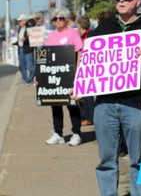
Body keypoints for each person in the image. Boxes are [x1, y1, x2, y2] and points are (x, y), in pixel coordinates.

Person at [87, 0, 141, 196]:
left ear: (138, 1)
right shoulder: (103, 27)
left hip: (135, 103)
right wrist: (79, 84)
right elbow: (88, 63)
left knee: (138, 160)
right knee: (106, 160)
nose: (121, 1)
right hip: (105, 103)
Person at [38, 8, 83, 146]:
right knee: (55, 104)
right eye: (55, 19)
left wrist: (78, 71)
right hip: (54, 76)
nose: (58, 21)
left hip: (69, 74)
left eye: (61, 18)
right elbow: (44, 55)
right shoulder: (51, 35)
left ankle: (76, 133)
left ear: (66, 19)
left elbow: (80, 52)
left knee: (72, 104)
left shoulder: (73, 33)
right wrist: (38, 74)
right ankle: (58, 133)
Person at [75, 14, 94, 126]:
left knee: (88, 95)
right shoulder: (79, 36)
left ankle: (89, 117)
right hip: (80, 67)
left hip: (89, 67)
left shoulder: (91, 35)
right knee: (80, 95)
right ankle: (83, 117)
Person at [15, 14, 35, 86]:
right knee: (22, 66)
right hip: (20, 48)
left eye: (20, 21)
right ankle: (25, 80)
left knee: (30, 66)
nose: (19, 22)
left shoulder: (29, 27)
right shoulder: (20, 28)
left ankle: (31, 80)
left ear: (24, 21)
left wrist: (26, 38)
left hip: (27, 49)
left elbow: (33, 36)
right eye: (18, 21)